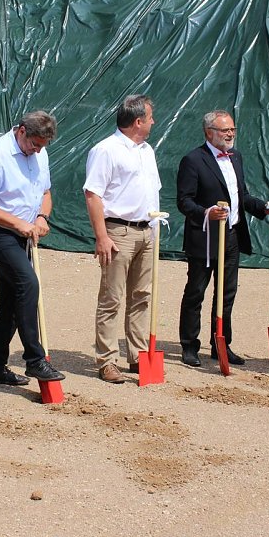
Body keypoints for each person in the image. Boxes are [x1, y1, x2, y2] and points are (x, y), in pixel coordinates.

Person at [177, 110, 269, 369]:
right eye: (225, 130)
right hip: (204, 238)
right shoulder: (193, 160)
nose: (230, 134)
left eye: (232, 129)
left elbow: (241, 196)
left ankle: (221, 344)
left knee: (226, 293)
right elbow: (184, 201)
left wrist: (264, 207)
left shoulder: (236, 157)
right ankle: (189, 346)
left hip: (231, 236)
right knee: (196, 291)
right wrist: (207, 212)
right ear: (209, 132)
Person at [0, 111, 65, 385]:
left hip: (25, 231)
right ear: (21, 130)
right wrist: (18, 223)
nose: (38, 151)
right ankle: (35, 360)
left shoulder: (40, 153)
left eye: (43, 146)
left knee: (12, 298)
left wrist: (42, 217)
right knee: (28, 284)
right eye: (34, 144)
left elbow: (45, 192)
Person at [84, 95, 161, 384]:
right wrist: (102, 236)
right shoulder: (106, 150)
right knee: (112, 298)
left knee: (142, 296)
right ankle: (106, 360)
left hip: (146, 230)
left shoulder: (147, 150)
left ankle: (138, 356)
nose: (154, 122)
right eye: (150, 118)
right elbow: (93, 194)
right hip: (119, 232)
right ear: (138, 121)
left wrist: (153, 230)